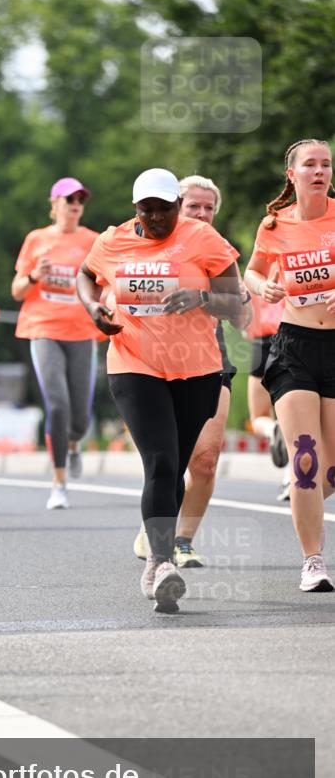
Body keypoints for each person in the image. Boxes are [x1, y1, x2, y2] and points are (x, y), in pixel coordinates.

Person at [77, 168, 242, 613]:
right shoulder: (113, 240)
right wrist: (95, 309)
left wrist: (201, 298)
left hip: (197, 369)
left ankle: (156, 555)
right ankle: (164, 563)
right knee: (162, 460)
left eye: (164, 209)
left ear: (177, 206)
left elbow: (236, 301)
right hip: (134, 363)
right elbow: (86, 275)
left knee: (177, 466)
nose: (156, 217)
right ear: (136, 208)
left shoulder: (203, 239)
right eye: (147, 209)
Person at [133, 175, 252, 567]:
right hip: (155, 364)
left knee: (205, 459)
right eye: (193, 207)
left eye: (208, 208)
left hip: (210, 360)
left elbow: (242, 318)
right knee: (168, 459)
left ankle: (182, 540)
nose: (201, 214)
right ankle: (157, 522)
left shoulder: (216, 254)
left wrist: (225, 297)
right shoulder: (149, 246)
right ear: (176, 208)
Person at [244, 138, 335, 593]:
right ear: (292, 174)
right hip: (294, 345)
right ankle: (313, 561)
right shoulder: (274, 224)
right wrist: (263, 288)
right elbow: (252, 271)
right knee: (305, 458)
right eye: (310, 165)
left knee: (329, 473)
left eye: (326, 164)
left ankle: (307, 508)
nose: (319, 171)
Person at [11, 177, 102, 510]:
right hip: (43, 327)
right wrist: (35, 275)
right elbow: (17, 290)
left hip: (81, 331)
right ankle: (58, 483)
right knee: (57, 403)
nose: (75, 203)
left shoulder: (93, 241)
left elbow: (104, 285)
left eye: (80, 198)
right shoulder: (36, 239)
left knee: (79, 417)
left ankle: (74, 443)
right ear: (55, 204)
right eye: (69, 198)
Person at [243, 288, 290, 498]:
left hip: (261, 343)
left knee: (258, 417)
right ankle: (292, 477)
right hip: (292, 336)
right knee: (301, 422)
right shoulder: (294, 260)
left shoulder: (256, 270)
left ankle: (273, 429)